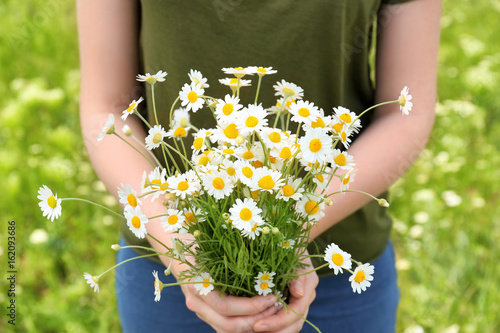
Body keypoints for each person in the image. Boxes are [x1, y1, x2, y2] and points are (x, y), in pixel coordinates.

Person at [77, 0, 441, 332]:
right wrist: (176, 240)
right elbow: (106, 109)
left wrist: (294, 224)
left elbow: (406, 114)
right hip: (166, 273)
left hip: (339, 273)